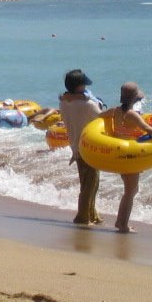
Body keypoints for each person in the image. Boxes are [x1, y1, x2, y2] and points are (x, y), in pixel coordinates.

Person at [97, 82, 152, 233]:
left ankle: (120, 222)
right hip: (130, 157)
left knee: (130, 190)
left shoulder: (115, 111)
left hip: (119, 155)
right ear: (135, 99)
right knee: (131, 191)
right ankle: (122, 225)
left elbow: (99, 116)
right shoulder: (132, 115)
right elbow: (148, 129)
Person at [59, 69, 103, 226]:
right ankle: (83, 217)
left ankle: (92, 214)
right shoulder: (88, 104)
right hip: (89, 146)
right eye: (83, 84)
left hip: (75, 146)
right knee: (90, 184)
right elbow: (101, 118)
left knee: (87, 182)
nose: (85, 86)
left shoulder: (64, 102)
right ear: (79, 86)